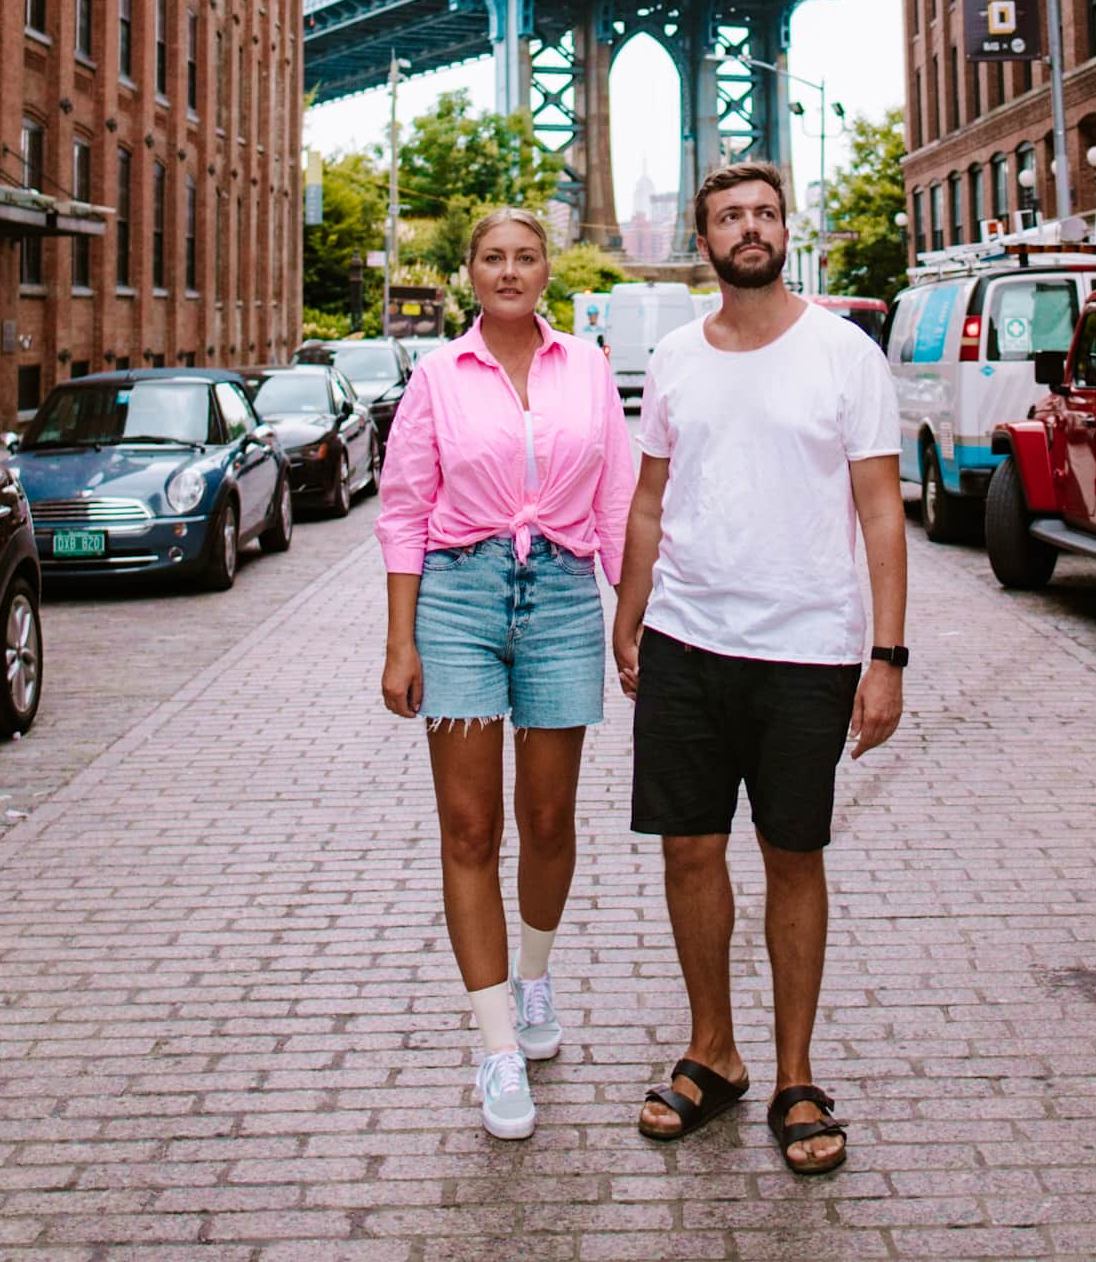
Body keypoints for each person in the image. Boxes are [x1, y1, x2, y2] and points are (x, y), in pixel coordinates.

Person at [612, 161, 907, 1176]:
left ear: (787, 228)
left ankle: (795, 1072)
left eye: (765, 211)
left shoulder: (842, 352)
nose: (750, 226)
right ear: (705, 240)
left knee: (793, 853)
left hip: (806, 647)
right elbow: (652, 496)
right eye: (730, 215)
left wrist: (888, 655)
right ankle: (714, 1050)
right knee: (687, 851)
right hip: (688, 642)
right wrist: (630, 608)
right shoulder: (679, 354)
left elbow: (880, 512)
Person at [378, 207, 634, 1140]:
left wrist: (627, 616)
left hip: (564, 597)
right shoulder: (438, 377)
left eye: (527, 257)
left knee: (550, 818)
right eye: (494, 257)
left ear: (546, 271)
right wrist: (399, 640)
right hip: (456, 598)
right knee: (470, 826)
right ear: (469, 272)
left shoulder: (591, 370)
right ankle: (495, 1050)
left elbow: (614, 501)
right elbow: (403, 510)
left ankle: (534, 982)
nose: (511, 271)